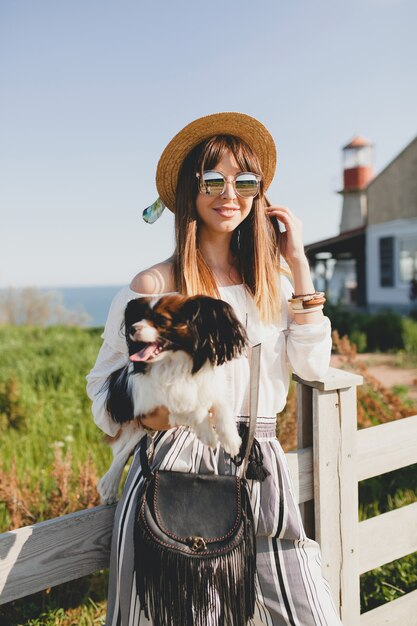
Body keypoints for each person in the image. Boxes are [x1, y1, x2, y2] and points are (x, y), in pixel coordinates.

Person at [86, 112, 342, 626]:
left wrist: (298, 264)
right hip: (178, 470)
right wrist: (155, 413)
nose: (230, 193)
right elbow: (102, 392)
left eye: (245, 181)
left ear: (261, 193)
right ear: (189, 192)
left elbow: (313, 367)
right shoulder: (155, 286)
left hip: (263, 465)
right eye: (212, 180)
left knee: (312, 613)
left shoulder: (275, 284)